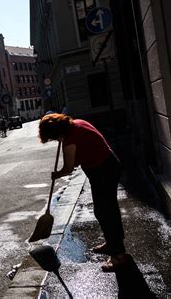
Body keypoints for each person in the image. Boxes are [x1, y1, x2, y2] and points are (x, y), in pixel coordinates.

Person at [38, 113, 130, 272]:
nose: (55, 141)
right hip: (107, 166)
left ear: (56, 133)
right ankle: (113, 243)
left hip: (103, 171)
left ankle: (119, 256)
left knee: (105, 212)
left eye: (53, 138)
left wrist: (57, 174)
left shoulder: (69, 139)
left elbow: (68, 168)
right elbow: (82, 154)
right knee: (107, 210)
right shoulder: (77, 123)